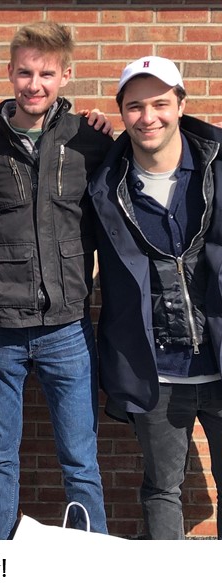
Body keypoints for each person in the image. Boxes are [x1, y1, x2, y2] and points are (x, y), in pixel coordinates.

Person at [0, 22, 111, 539]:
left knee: (80, 458)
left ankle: (89, 558)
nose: (34, 84)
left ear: (65, 76)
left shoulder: (90, 142)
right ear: (9, 73)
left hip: (67, 329)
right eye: (24, 72)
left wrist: (104, 129)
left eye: (47, 73)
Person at [89, 56, 222, 539]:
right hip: (156, 372)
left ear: (182, 104)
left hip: (220, 360)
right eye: (135, 106)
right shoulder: (106, 185)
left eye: (161, 103)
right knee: (163, 488)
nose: (149, 117)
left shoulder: (216, 167)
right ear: (121, 113)